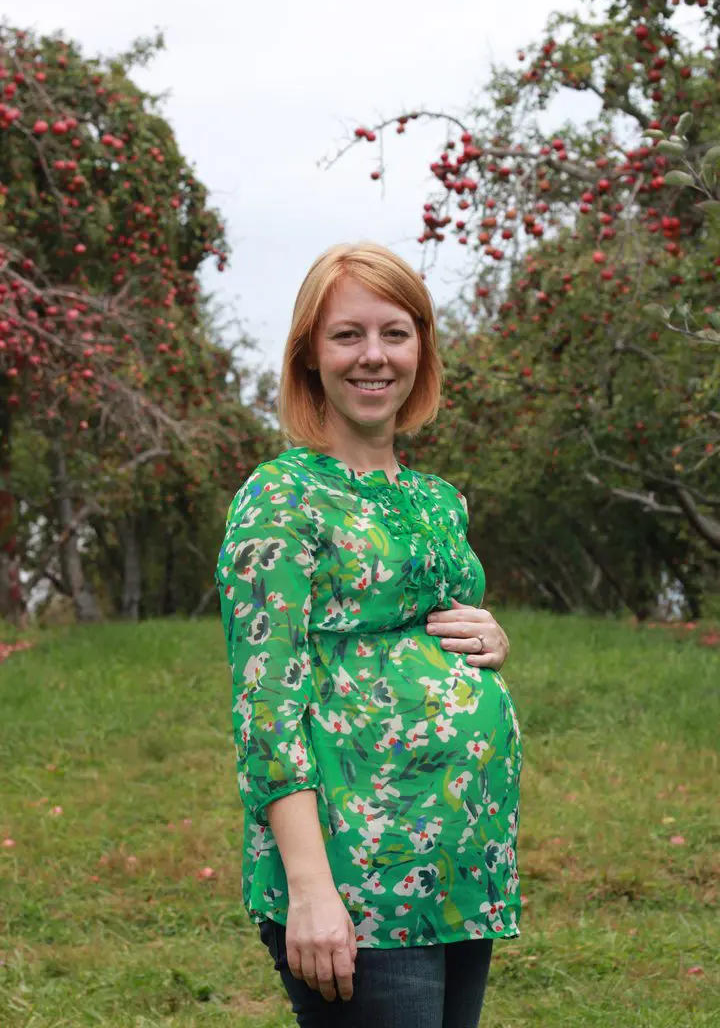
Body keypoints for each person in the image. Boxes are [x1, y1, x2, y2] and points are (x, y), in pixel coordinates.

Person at [215, 242, 523, 1027]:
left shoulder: (436, 499)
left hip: (457, 864)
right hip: (360, 880)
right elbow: (266, 706)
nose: (374, 356)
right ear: (310, 356)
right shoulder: (280, 499)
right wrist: (312, 891)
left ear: (422, 348)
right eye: (347, 335)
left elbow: (427, 630)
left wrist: (489, 640)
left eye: (395, 332)